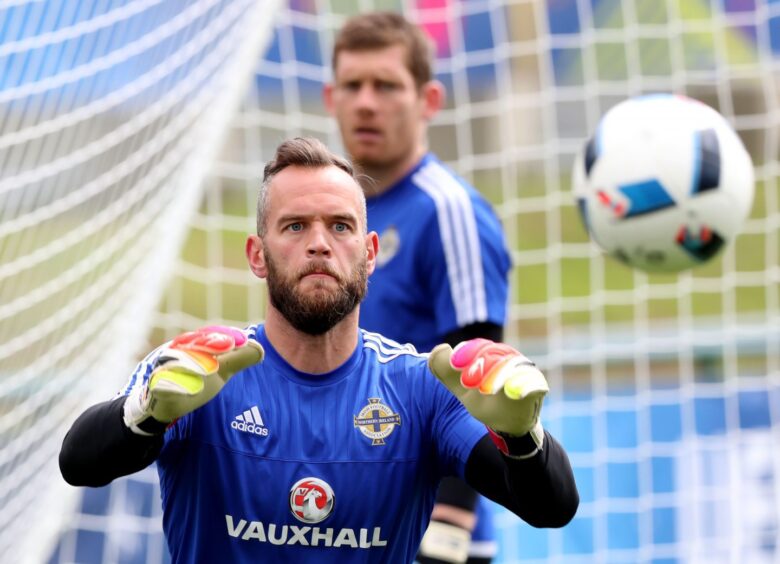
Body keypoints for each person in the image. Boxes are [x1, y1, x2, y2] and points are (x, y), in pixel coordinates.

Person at [59, 137, 578, 564]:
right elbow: (78, 462)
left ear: (370, 254)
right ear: (257, 256)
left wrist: (521, 437)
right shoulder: (201, 372)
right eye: (294, 226)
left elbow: (552, 507)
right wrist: (143, 415)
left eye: (340, 226)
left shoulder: (419, 388)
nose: (319, 243)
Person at [324, 12, 510, 563]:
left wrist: (450, 530)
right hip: (348, 520)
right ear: (330, 97)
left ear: (428, 100)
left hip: (430, 532)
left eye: (386, 86)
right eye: (353, 86)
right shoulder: (337, 214)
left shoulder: (447, 212)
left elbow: (484, 381)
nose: (366, 102)